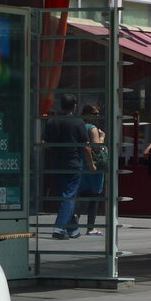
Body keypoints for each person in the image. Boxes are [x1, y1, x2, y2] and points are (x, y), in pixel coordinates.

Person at [44, 92, 93, 240]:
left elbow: (45, 144)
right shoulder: (78, 122)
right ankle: (59, 228)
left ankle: (73, 230)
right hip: (73, 164)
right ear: (75, 106)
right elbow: (86, 146)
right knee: (69, 196)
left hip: (56, 164)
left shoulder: (52, 121)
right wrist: (91, 164)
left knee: (65, 196)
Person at [78, 103, 106, 235]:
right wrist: (102, 137)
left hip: (81, 163)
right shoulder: (92, 128)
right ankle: (91, 227)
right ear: (87, 115)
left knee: (81, 194)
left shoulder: (80, 126)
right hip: (92, 165)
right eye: (94, 114)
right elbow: (96, 147)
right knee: (94, 196)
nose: (97, 116)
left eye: (98, 113)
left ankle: (74, 222)